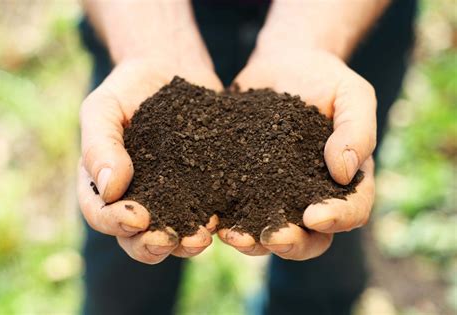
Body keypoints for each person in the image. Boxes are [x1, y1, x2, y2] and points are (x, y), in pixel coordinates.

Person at [77, 1, 417, 314]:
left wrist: (308, 39)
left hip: (339, 20)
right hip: (148, 21)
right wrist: (148, 44)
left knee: (321, 267)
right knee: (125, 279)